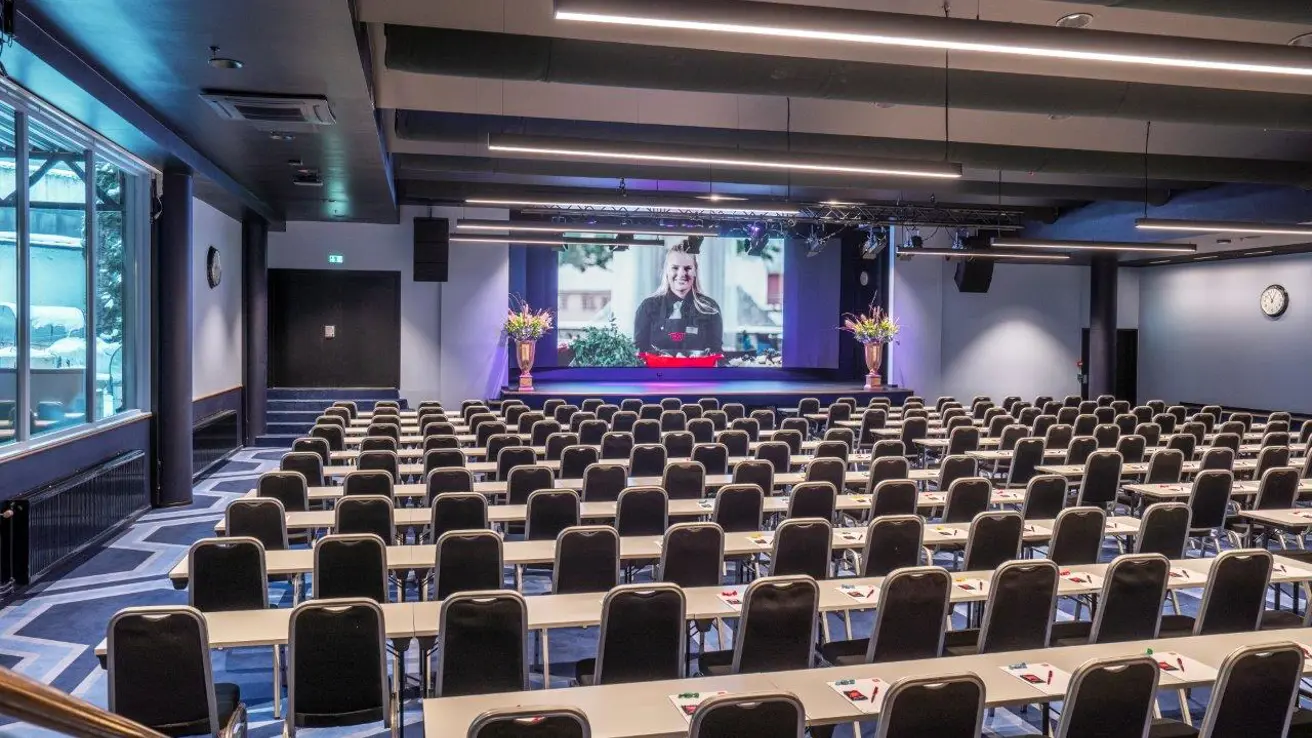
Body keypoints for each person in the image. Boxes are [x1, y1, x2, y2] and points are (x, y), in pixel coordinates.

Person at [634, 240, 723, 355]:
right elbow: (639, 354)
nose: (681, 274)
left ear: (695, 271)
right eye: (675, 268)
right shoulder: (647, 307)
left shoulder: (710, 308)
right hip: (657, 373)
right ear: (666, 270)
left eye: (687, 268)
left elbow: (716, 354)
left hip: (699, 373)